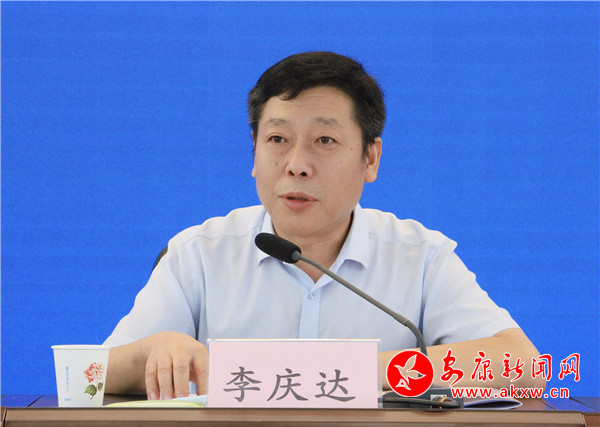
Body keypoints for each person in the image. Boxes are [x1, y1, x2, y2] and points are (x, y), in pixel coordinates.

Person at [104, 51, 543, 400]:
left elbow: (521, 366)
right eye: (277, 139)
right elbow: (92, 376)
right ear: (254, 152)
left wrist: (355, 371)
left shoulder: (419, 257)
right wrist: (152, 351)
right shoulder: (199, 254)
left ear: (370, 158)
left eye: (325, 140)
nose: (296, 164)